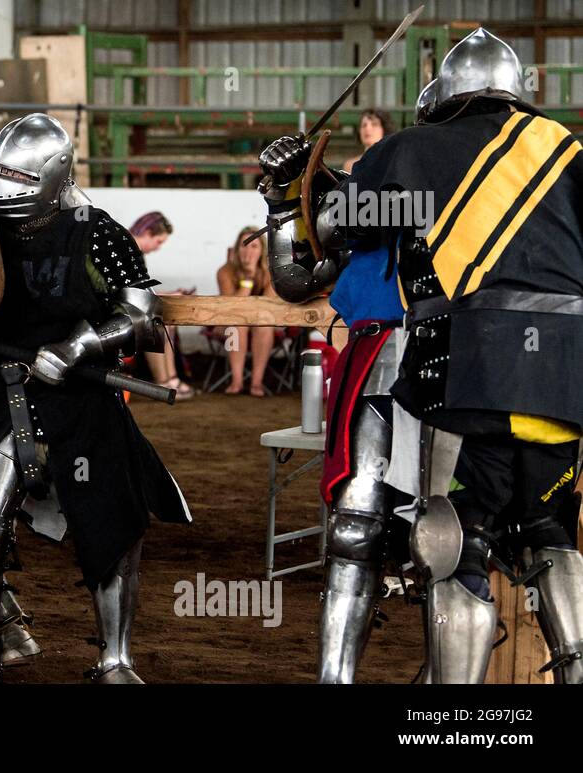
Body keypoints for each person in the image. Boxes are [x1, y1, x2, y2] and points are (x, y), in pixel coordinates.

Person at [259, 28, 583, 683]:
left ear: (442, 99)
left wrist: (288, 189)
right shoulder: (569, 151)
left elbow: (317, 246)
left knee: (453, 545)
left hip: (472, 373)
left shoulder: (412, 151)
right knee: (549, 527)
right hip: (566, 380)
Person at [0, 114, 192, 684]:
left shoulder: (97, 232)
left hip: (82, 396)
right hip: (1, 390)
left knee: (112, 527)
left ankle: (115, 660)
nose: (5, 188)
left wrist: (79, 344)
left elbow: (143, 317)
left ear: (53, 174)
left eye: (19, 176)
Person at [129, 212, 194, 398]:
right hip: (119, 307)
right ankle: (163, 381)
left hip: (127, 303)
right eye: (159, 242)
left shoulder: (133, 249)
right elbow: (135, 293)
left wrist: (170, 294)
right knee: (154, 320)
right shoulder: (131, 250)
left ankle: (170, 379)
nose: (158, 248)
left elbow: (138, 290)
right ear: (148, 232)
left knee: (166, 318)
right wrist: (171, 295)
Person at [216, 226, 277, 397]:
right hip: (232, 319)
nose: (248, 251)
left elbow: (269, 305)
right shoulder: (225, 271)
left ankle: (256, 382)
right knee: (236, 325)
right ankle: (237, 381)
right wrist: (247, 281)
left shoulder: (271, 272)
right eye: (244, 245)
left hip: (262, 319)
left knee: (264, 325)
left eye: (254, 246)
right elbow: (231, 307)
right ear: (237, 249)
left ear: (262, 251)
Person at [343, 107, 396, 173]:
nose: (368, 129)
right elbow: (353, 183)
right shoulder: (350, 165)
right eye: (364, 125)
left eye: (374, 124)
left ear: (384, 129)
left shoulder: (393, 162)